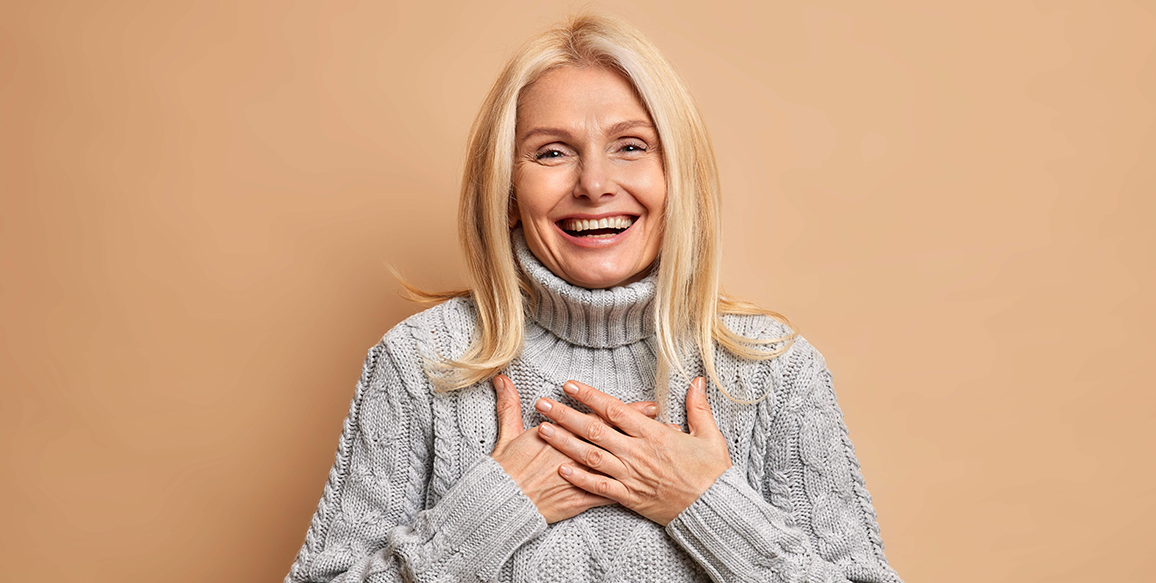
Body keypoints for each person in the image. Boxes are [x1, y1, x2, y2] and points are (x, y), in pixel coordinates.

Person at [284, 14, 903, 583]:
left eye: (631, 146)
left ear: (676, 177)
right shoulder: (421, 366)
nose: (594, 184)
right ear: (505, 187)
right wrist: (489, 512)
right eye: (551, 152)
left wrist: (711, 508)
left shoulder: (774, 374)